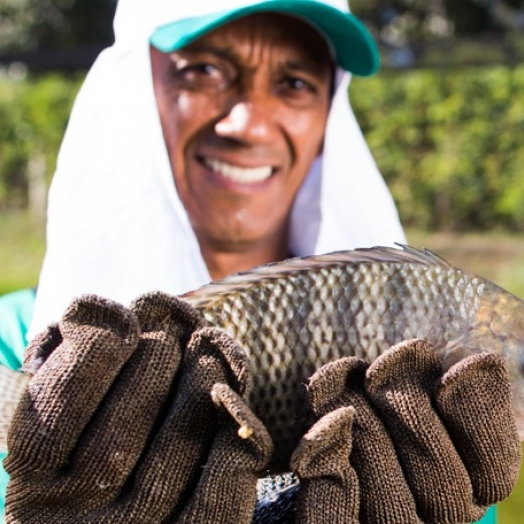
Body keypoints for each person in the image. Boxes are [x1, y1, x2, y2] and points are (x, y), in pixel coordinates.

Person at [0, 0, 517, 522]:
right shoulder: (11, 344)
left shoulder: (453, 464)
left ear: (328, 112)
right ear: (135, 87)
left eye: (294, 82)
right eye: (203, 70)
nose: (248, 124)